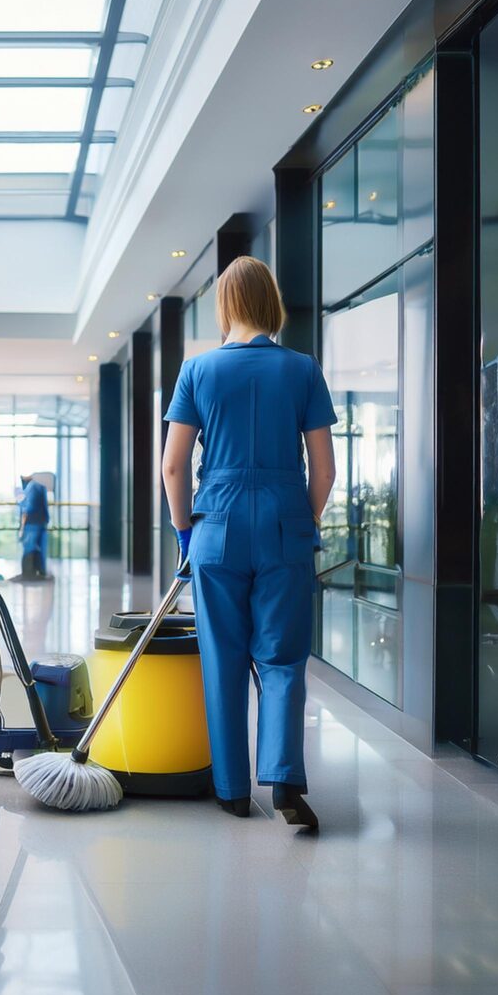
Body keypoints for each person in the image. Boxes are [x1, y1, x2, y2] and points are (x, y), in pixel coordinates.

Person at [161, 256, 337, 828]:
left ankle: (233, 789)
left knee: (224, 658)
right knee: (283, 658)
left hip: (218, 522)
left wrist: (186, 532)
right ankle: (285, 779)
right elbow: (325, 470)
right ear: (271, 302)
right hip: (285, 519)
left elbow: (173, 466)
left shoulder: (199, 370)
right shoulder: (303, 369)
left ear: (225, 305)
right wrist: (299, 521)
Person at [18, 474, 50, 578]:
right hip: (42, 522)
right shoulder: (41, 487)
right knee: (40, 549)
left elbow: (28, 508)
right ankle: (41, 572)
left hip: (31, 523)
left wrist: (21, 503)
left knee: (29, 548)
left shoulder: (31, 487)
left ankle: (28, 574)